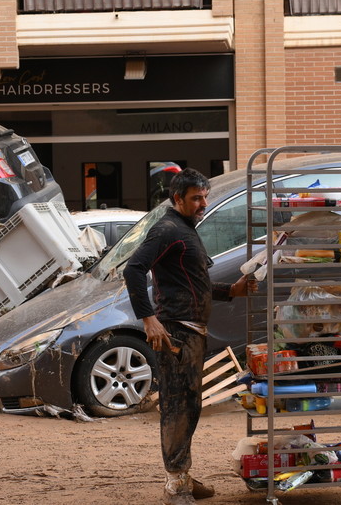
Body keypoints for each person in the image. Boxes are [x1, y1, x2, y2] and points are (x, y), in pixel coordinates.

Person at [123, 167, 257, 505]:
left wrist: (232, 290)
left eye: (205, 197)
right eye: (196, 198)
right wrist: (149, 319)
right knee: (177, 407)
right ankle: (176, 484)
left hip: (192, 332)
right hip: (175, 334)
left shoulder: (185, 230)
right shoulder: (167, 229)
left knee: (191, 406)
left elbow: (192, 283)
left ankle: (182, 475)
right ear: (177, 199)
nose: (203, 204)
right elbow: (133, 269)